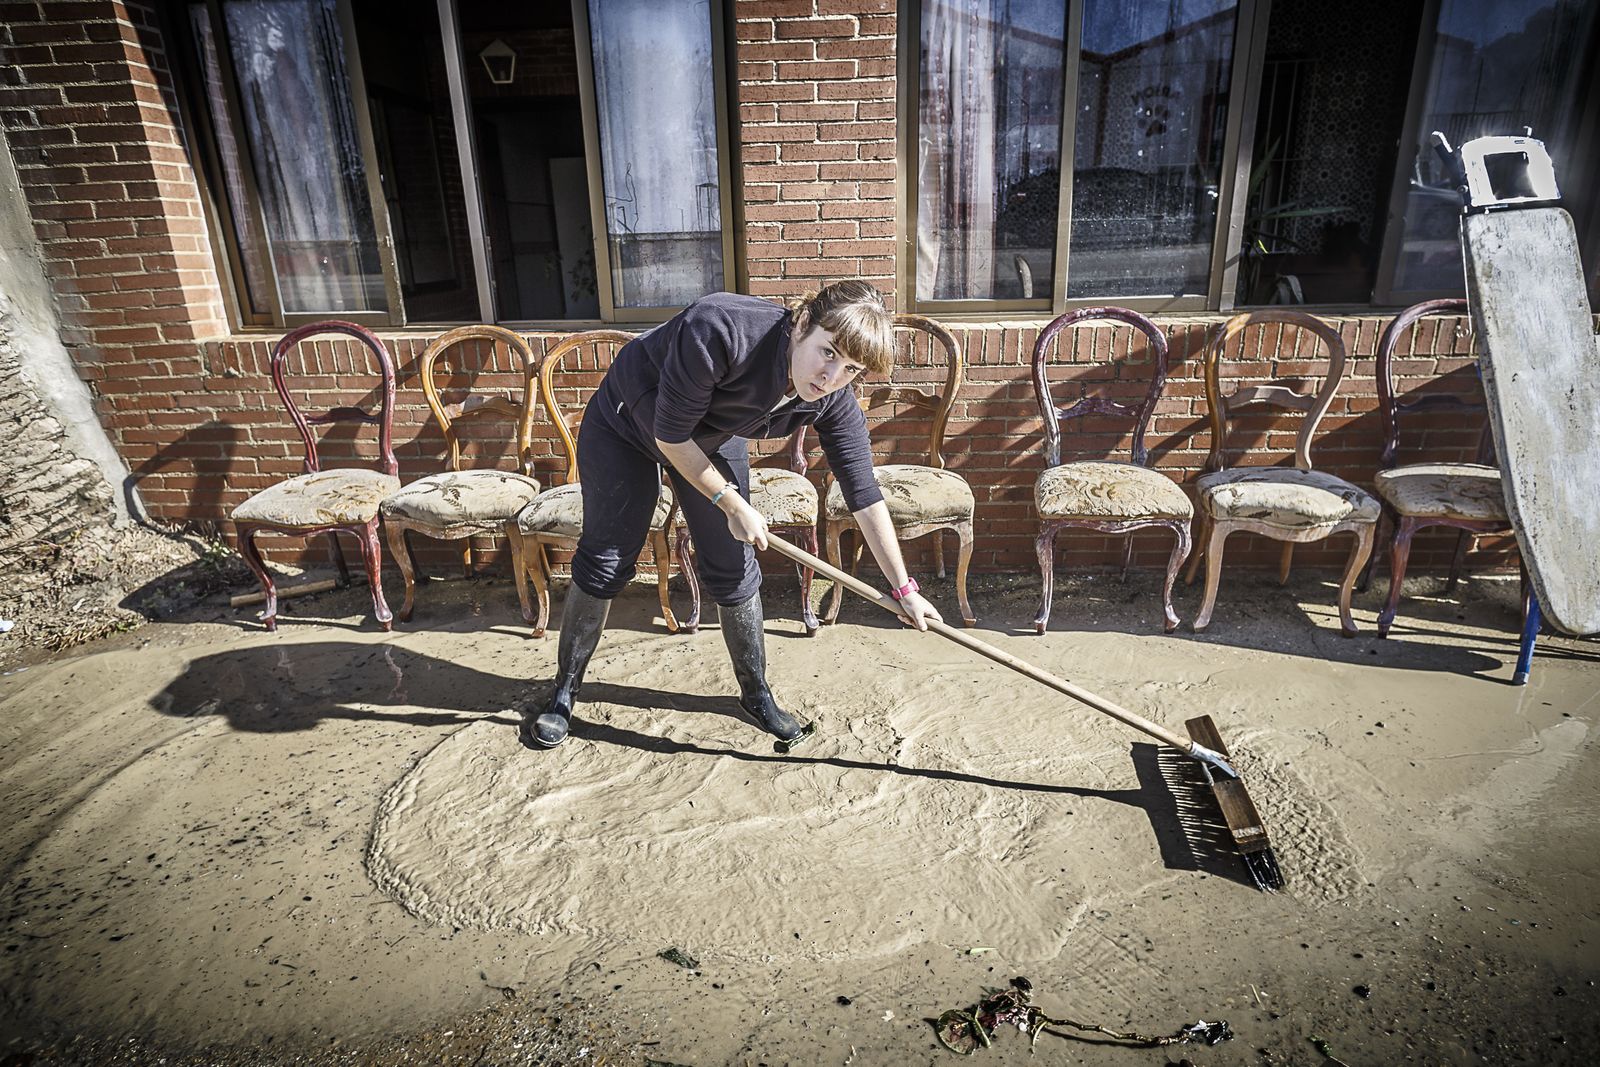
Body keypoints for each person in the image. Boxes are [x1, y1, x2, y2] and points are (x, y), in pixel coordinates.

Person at [523, 280, 942, 749]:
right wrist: (731, 502)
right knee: (608, 558)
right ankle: (564, 691)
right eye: (827, 353)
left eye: (850, 369)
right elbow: (671, 438)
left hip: (710, 438)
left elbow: (863, 493)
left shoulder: (832, 400)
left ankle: (756, 694)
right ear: (802, 323)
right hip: (627, 425)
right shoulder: (719, 328)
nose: (831, 377)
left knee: (733, 563)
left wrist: (904, 589)